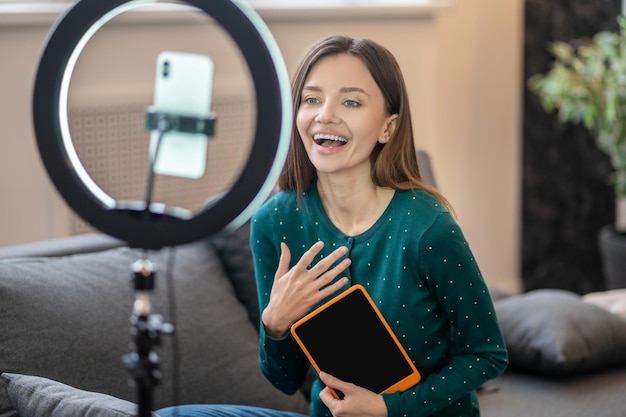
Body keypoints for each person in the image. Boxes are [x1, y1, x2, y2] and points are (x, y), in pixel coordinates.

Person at [157, 34, 508, 417]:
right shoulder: (275, 221)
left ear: (387, 129)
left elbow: (487, 354)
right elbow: (285, 379)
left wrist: (391, 408)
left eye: (351, 101)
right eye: (312, 99)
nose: (325, 114)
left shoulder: (428, 228)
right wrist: (274, 324)